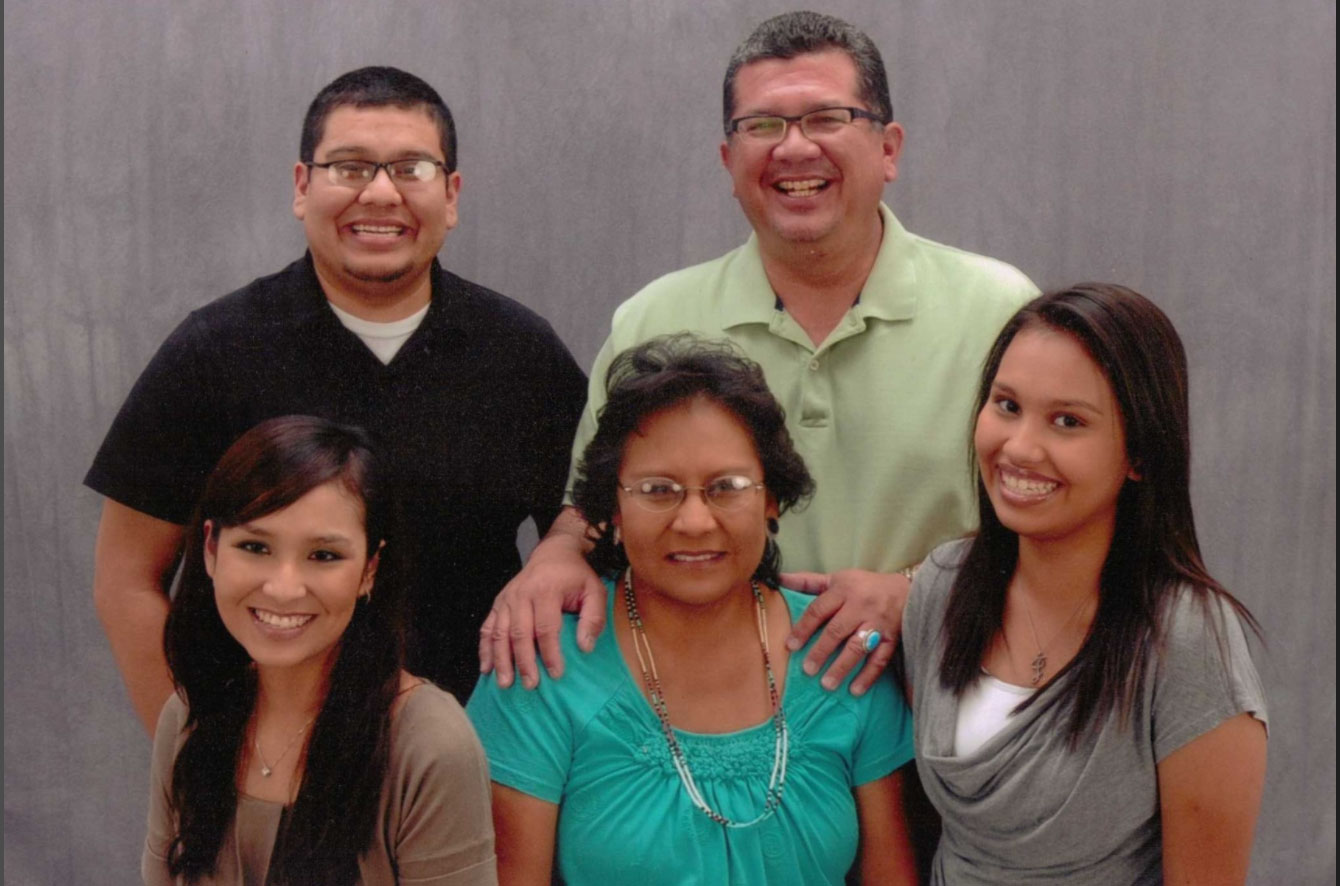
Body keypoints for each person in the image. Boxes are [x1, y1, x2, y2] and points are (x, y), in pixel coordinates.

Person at [481, 10, 1037, 701]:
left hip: (951, 704)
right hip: (705, 730)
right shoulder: (653, 320)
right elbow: (593, 507)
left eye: (828, 118)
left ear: (889, 148)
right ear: (728, 162)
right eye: (762, 126)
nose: (794, 149)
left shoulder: (1001, 313)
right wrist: (559, 554)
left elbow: (1060, 519)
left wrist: (917, 593)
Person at [87, 66, 586, 729]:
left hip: (480, 753)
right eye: (349, 168)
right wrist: (190, 753)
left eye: (411, 169)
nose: (380, 194)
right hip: (263, 764)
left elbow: (595, 513)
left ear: (452, 194)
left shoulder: (521, 352)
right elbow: (125, 579)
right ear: (302, 187)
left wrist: (562, 546)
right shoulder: (215, 350)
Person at [467, 336, 918, 886]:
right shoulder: (541, 665)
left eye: (726, 488)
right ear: (611, 506)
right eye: (658, 489)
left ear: (772, 497)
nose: (695, 521)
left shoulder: (842, 649)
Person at [900, 284, 1268, 884]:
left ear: (1140, 454)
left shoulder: (1188, 638)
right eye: (1007, 405)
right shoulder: (941, 587)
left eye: (1067, 421)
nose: (1019, 448)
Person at [143, 415, 496, 885]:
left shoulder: (429, 744)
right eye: (254, 546)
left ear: (370, 568)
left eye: (324, 556)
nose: (284, 588)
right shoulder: (188, 716)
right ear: (210, 549)